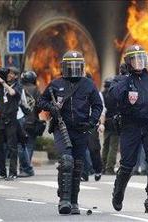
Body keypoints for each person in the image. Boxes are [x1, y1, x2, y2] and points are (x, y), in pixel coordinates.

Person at [37, 51, 103, 215]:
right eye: (70, 66)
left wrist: (91, 122)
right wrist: (51, 107)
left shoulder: (88, 84)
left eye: (77, 66)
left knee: (78, 166)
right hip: (62, 128)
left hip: (81, 130)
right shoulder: (56, 84)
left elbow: (97, 106)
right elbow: (41, 101)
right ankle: (64, 200)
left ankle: (74, 201)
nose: (73, 70)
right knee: (66, 161)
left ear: (81, 67)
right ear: (64, 67)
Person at [109, 44, 148, 214]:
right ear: (128, 62)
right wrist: (125, 79)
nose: (139, 63)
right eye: (135, 60)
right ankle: (118, 192)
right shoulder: (121, 80)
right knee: (128, 164)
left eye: (141, 59)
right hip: (130, 127)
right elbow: (113, 96)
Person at [0, 67, 22, 180]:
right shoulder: (0, 87)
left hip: (11, 120)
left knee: (12, 148)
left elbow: (12, 93)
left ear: (15, 76)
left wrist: (2, 81)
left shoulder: (18, 86)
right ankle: (1, 172)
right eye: (8, 73)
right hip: (0, 119)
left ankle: (13, 173)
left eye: (11, 74)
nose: (8, 75)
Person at [18, 70, 41, 177]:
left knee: (21, 145)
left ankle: (23, 167)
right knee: (29, 145)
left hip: (20, 120)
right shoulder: (36, 89)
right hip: (32, 121)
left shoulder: (19, 88)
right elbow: (40, 104)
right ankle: (26, 167)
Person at [102, 77, 120, 175]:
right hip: (114, 122)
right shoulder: (114, 95)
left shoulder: (102, 94)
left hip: (105, 121)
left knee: (105, 145)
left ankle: (103, 166)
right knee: (113, 146)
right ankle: (109, 168)